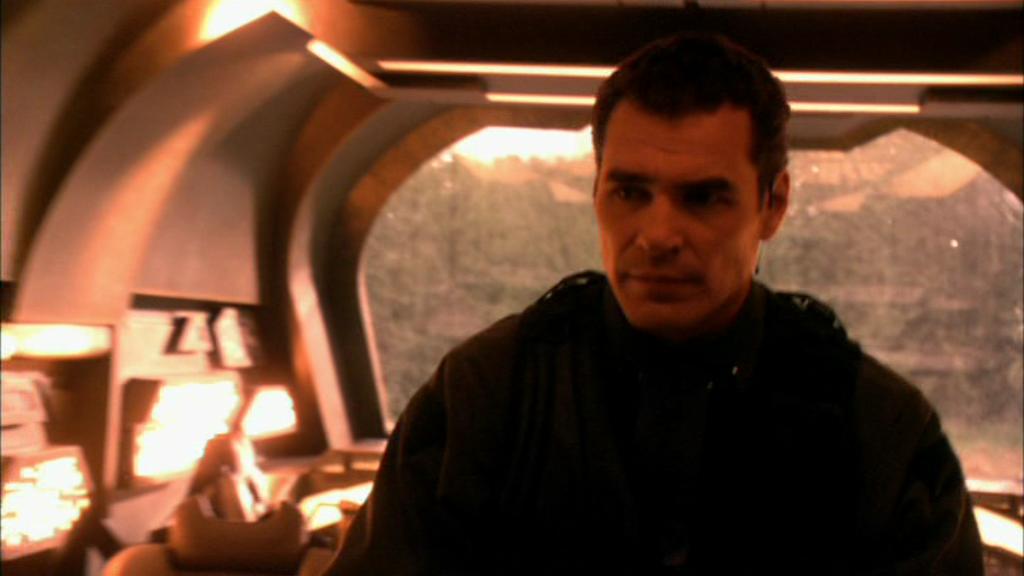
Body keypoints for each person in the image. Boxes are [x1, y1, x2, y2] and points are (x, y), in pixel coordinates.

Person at [326, 34, 984, 574]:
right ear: (596, 192)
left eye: (704, 197)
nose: (658, 235)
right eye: (630, 192)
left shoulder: (878, 427)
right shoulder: (487, 393)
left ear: (774, 204)